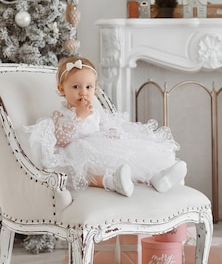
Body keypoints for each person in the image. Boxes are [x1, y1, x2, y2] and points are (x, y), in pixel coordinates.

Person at [25, 56, 187, 197]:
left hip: (99, 144)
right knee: (88, 168)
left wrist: (112, 134)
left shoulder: (95, 111)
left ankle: (157, 177)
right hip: (77, 150)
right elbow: (61, 140)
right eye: (76, 87)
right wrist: (78, 117)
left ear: (95, 89)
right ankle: (112, 182)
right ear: (62, 89)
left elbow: (104, 126)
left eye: (88, 87)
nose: (83, 92)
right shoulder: (60, 114)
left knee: (129, 153)